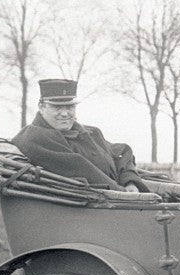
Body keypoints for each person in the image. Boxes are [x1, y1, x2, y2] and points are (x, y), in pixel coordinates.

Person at [12, 78, 150, 191]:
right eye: (57, 107)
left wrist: (130, 181)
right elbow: (80, 170)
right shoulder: (34, 136)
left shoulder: (92, 133)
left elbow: (122, 153)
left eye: (70, 107)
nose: (65, 113)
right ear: (41, 107)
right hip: (83, 213)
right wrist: (122, 192)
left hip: (116, 203)